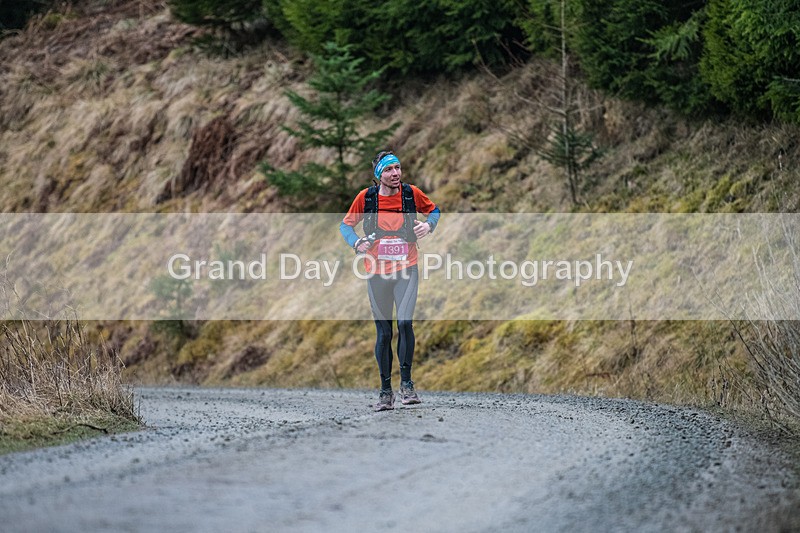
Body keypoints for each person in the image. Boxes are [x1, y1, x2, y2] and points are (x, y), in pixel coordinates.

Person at [340, 150, 441, 411]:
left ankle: (407, 385)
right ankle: (386, 392)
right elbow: (346, 225)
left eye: (397, 168)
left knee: (405, 323)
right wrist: (356, 243)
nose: (395, 173)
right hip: (376, 272)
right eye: (388, 170)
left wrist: (428, 226)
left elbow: (434, 211)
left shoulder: (411, 194)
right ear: (379, 175)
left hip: (406, 269)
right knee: (384, 332)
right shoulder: (366, 198)